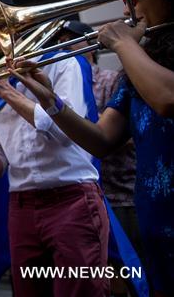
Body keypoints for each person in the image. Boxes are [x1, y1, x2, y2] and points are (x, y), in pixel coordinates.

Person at [10, 0, 174, 296]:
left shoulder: (135, 56)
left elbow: (168, 99)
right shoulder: (139, 64)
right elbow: (101, 138)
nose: (127, 9)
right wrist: (50, 99)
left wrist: (123, 45)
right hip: (155, 221)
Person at [0, 0, 109, 297]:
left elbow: (60, 129)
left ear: (8, 23)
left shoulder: (61, 63)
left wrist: (6, 90)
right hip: (21, 205)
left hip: (71, 199)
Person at [53, 20, 140, 259]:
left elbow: (133, 132)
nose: (63, 46)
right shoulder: (61, 84)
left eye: (70, 40)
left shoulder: (111, 79)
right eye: (59, 42)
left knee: (136, 268)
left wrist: (88, 122)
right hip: (84, 193)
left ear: (91, 46)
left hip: (120, 193)